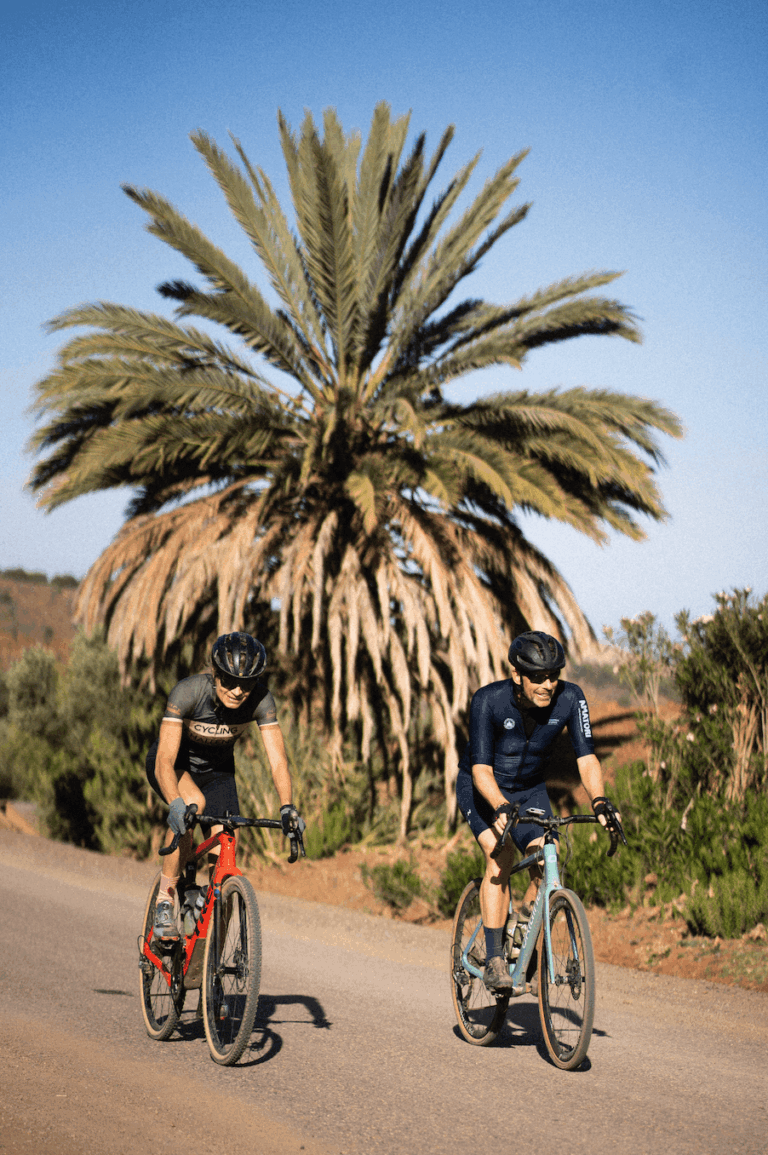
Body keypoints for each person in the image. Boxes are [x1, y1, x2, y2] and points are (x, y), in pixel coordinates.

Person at [455, 630, 621, 992]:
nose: (548, 684)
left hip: (529, 789)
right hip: (483, 787)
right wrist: (499, 805)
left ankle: (520, 935)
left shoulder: (571, 698)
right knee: (499, 855)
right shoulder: (489, 700)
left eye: (553, 675)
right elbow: (481, 770)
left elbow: (587, 758)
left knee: (548, 858)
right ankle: (495, 959)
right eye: (538, 677)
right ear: (517, 674)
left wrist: (599, 800)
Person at [145, 631, 304, 943]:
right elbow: (164, 759)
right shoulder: (188, 692)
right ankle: (165, 901)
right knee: (193, 805)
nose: (237, 690)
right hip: (174, 765)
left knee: (227, 844)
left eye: (247, 683)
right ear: (215, 674)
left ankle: (207, 938)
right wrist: (175, 802)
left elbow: (278, 761)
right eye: (229, 681)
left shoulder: (261, 700)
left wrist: (287, 806)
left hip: (218, 772)